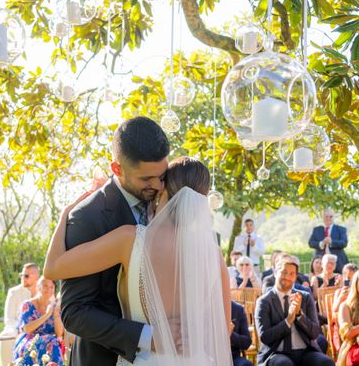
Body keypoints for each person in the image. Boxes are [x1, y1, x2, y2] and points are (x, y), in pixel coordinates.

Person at [45, 156, 233, 365]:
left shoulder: (131, 239)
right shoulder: (214, 254)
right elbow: (225, 329)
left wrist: (65, 214)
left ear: (162, 190)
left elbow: (52, 268)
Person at [56, 116, 170, 366]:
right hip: (105, 359)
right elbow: (74, 313)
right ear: (117, 169)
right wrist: (147, 337)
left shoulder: (170, 198)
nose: (158, 185)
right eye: (146, 179)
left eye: (161, 175)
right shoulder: (88, 216)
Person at [255, 254, 335, 366]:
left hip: (305, 351)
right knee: (284, 364)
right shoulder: (264, 301)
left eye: (292, 274)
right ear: (276, 272)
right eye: (284, 272)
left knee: (326, 362)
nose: (287, 277)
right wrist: (288, 320)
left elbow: (315, 332)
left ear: (296, 276)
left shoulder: (305, 297)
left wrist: (299, 315)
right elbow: (265, 337)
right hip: (277, 353)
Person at [13, 277, 64, 366]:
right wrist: (47, 315)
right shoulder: (28, 305)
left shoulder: (54, 306)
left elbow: (59, 333)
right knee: (51, 341)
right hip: (29, 341)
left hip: (49, 341)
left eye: (51, 287)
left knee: (52, 341)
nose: (49, 289)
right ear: (38, 287)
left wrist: (55, 313)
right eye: (45, 286)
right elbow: (27, 329)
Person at [0, 263, 40, 366]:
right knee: (5, 336)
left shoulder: (43, 292)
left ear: (36, 277)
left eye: (26, 276)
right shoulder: (14, 292)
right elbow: (9, 319)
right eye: (21, 275)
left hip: (38, 328)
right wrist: (20, 329)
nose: (23, 278)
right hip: (17, 328)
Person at [230, 301, 254, 366]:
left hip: (233, 357)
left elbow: (247, 342)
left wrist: (231, 335)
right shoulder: (204, 308)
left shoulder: (237, 309)